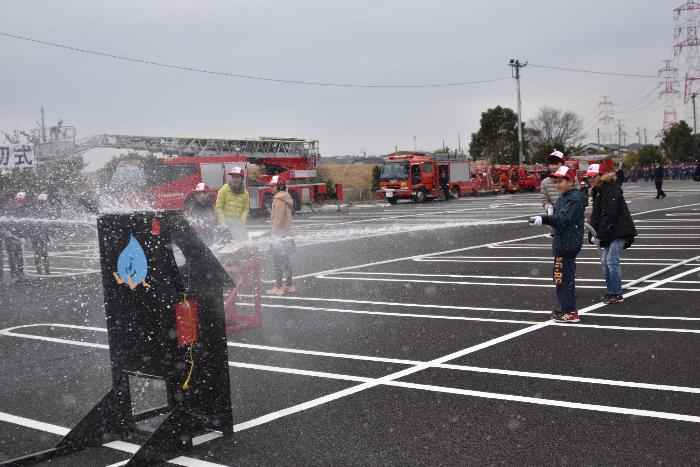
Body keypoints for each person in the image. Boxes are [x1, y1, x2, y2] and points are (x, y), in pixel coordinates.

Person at [530, 166, 588, 323]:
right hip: (565, 243)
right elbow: (560, 217)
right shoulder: (566, 196)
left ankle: (569, 312)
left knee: (562, 278)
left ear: (570, 181)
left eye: (561, 181)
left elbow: (562, 219)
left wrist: (544, 219)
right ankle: (568, 309)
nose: (557, 185)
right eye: (556, 181)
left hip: (566, 245)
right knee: (564, 277)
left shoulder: (573, 199)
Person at [585, 164, 637, 304]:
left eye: (593, 176)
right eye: (589, 177)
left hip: (620, 229)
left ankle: (616, 293)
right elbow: (596, 216)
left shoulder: (608, 189)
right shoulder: (598, 190)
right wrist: (593, 234)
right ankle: (611, 292)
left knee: (611, 261)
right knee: (605, 261)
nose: (591, 179)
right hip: (611, 231)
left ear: (601, 176)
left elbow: (609, 214)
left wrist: (599, 235)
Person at [266, 176, 296, 295]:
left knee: (277, 262)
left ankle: (278, 288)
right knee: (286, 261)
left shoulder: (278, 199)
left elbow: (278, 220)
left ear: (279, 186)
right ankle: (289, 285)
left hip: (279, 236)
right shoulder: (286, 197)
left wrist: (274, 236)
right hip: (287, 235)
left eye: (273, 186)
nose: (271, 188)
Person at [540, 150, 581, 216]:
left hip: (572, 215)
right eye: (551, 164)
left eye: (556, 164)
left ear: (563, 165)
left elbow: (579, 196)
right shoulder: (545, 182)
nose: (553, 167)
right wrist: (549, 208)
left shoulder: (573, 178)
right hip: (555, 216)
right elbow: (545, 200)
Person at [215, 167, 250, 242]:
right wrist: (223, 223)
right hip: (225, 224)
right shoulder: (224, 190)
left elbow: (245, 209)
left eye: (237, 177)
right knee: (224, 248)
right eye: (233, 177)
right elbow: (219, 207)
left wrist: (241, 221)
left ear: (242, 179)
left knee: (243, 245)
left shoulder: (245, 193)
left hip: (237, 224)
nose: (234, 179)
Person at [3, 192, 29, 281]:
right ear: (15, 198)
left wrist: (24, 236)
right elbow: (3, 220)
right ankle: (14, 274)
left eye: (21, 200)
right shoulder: (7, 207)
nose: (19, 201)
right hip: (10, 235)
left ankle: (20, 274)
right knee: (12, 255)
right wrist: (6, 231)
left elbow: (25, 223)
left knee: (20, 255)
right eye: (18, 199)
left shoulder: (23, 208)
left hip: (19, 235)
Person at [31, 193, 54, 275]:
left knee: (44, 253)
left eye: (43, 201)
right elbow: (31, 222)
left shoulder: (48, 209)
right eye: (40, 201)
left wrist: (49, 235)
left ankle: (47, 271)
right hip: (35, 235)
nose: (41, 202)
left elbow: (51, 221)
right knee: (37, 254)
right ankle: (39, 271)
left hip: (43, 235)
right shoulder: (34, 209)